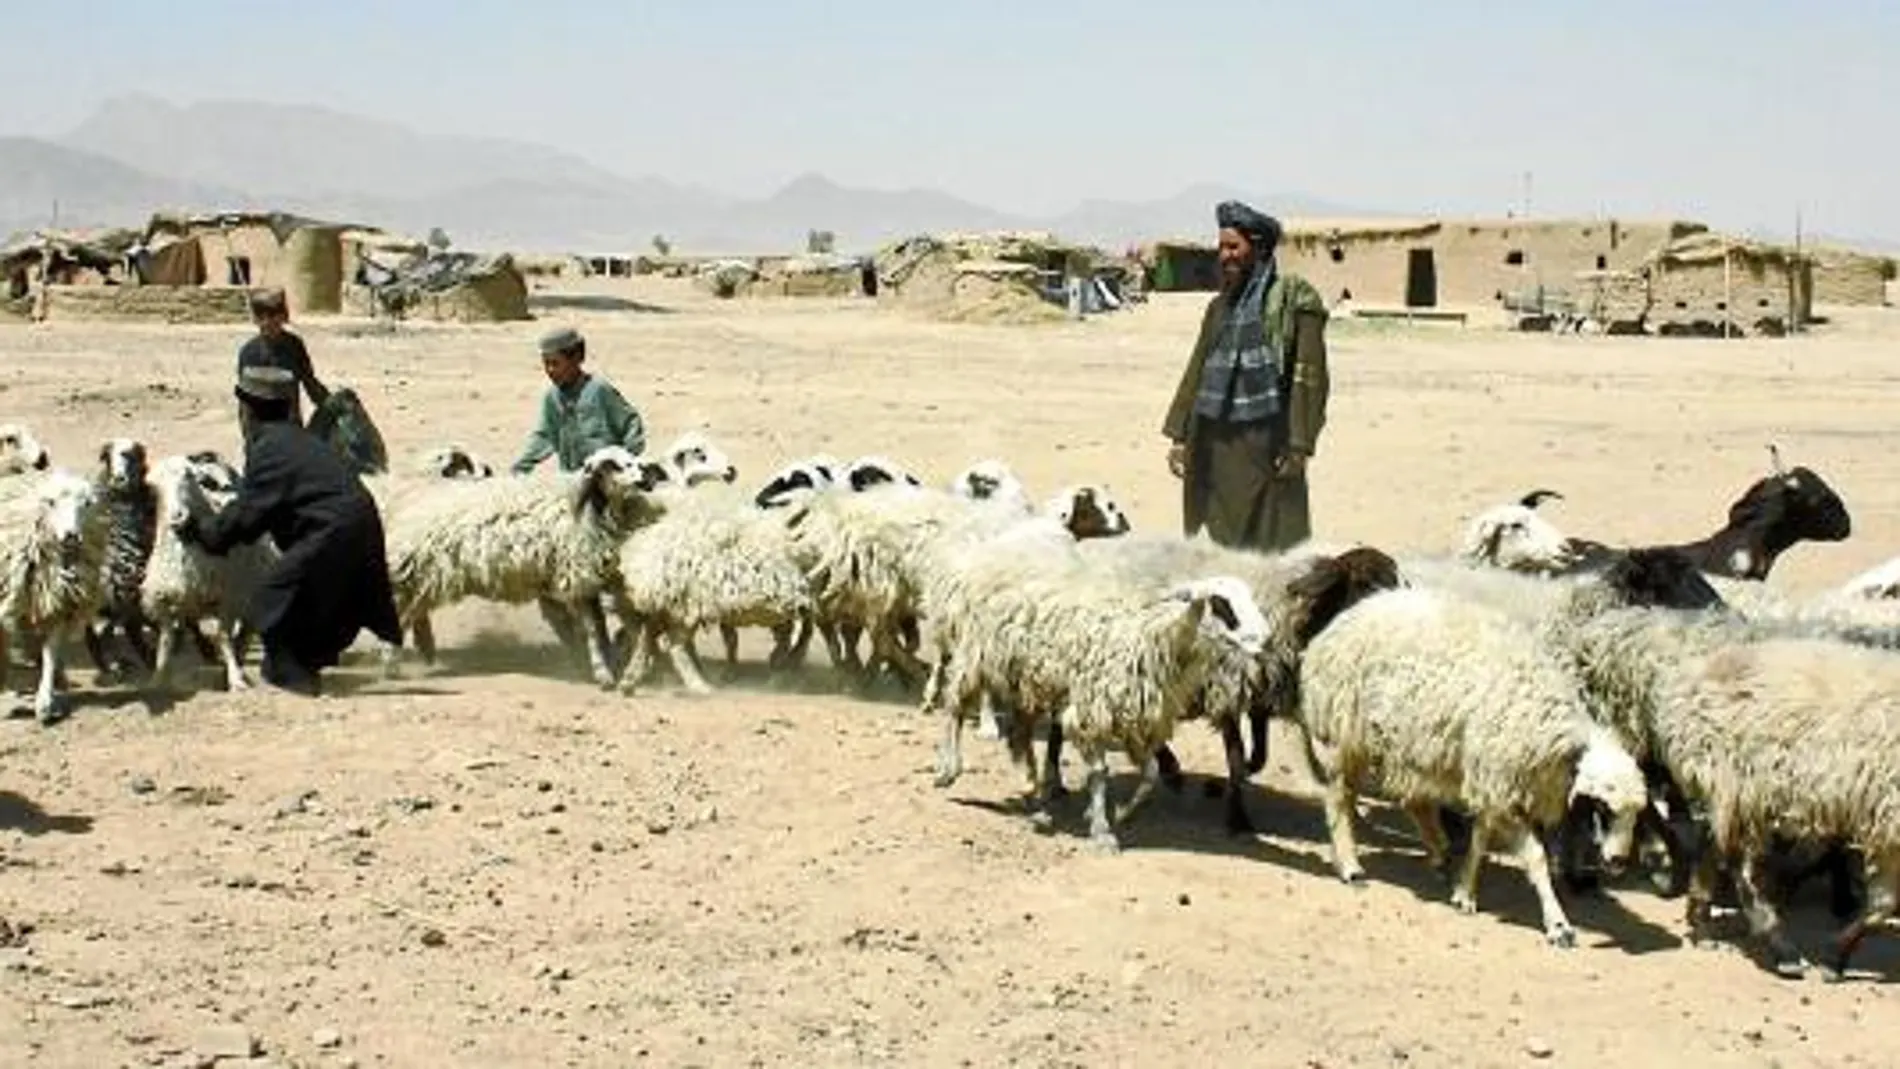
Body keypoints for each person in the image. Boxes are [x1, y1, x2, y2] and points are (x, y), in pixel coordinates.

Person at [178, 366, 402, 697]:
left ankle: (294, 678)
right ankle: (304, 670)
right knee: (315, 598)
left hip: (333, 529)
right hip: (358, 524)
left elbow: (250, 512)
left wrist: (205, 531)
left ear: (248, 410)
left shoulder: (270, 448)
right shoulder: (297, 440)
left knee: (273, 598)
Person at [1161, 200, 1331, 551]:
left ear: (1260, 248)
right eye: (1221, 248)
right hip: (1214, 444)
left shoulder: (1295, 300)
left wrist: (1299, 444)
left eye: (1234, 247)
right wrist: (1180, 435)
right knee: (1217, 545)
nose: (1225, 256)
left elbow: (1309, 376)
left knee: (1273, 545)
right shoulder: (1219, 307)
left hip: (1268, 444)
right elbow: (1197, 369)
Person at [511, 327, 648, 474]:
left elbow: (631, 423)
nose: (550, 370)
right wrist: (522, 466)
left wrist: (626, 462)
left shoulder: (599, 390)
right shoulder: (552, 398)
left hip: (605, 477)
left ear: (577, 358)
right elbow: (544, 436)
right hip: (573, 478)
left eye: (556, 364)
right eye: (546, 364)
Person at [237, 287, 331, 425]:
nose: (268, 322)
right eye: (262, 317)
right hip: (262, 430)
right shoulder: (249, 352)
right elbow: (246, 402)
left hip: (290, 425)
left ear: (283, 316)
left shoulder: (294, 346)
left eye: (273, 316)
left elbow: (309, 382)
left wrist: (330, 405)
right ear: (256, 320)